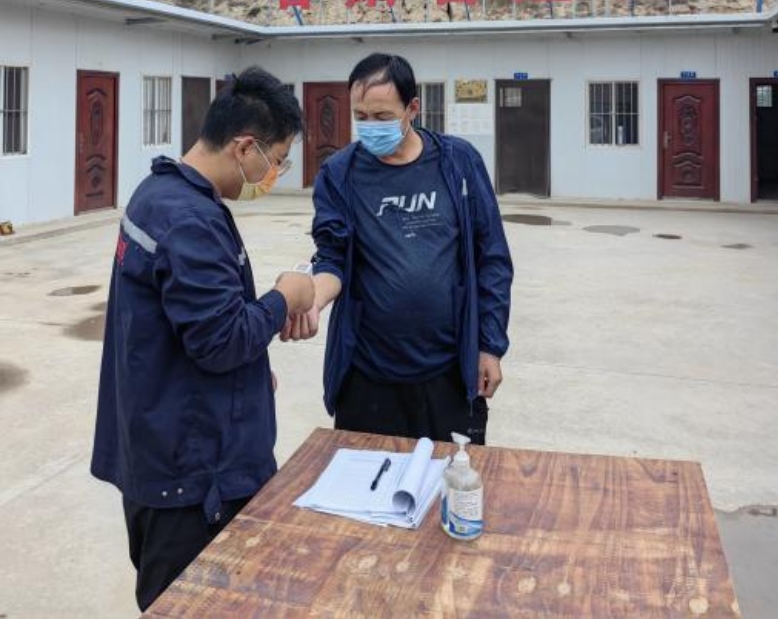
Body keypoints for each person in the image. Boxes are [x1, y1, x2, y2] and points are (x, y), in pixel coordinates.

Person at [91, 67, 314, 613]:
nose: (276, 173)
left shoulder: (158, 193)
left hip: (165, 452)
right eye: (278, 159)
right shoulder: (190, 219)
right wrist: (284, 297)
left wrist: (250, 375)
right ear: (245, 148)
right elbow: (220, 341)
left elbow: (183, 328)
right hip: (193, 484)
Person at [283, 53, 513, 444]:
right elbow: (333, 258)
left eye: (382, 116)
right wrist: (312, 301)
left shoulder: (458, 163)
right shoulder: (339, 173)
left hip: (449, 371)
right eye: (361, 116)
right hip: (368, 373)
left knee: (451, 476)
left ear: (412, 109)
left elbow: (492, 259)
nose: (370, 127)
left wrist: (489, 346)